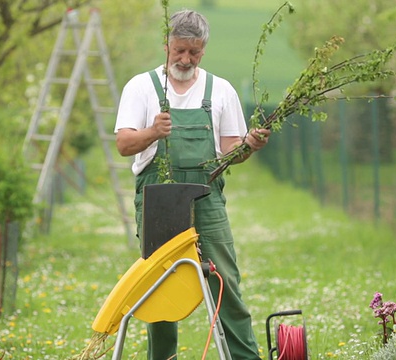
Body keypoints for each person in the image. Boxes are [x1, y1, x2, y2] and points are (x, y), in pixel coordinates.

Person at [114, 9, 270, 360]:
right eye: (179, 50)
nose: (185, 59)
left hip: (206, 199)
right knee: (160, 286)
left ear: (203, 50)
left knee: (224, 282)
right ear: (166, 44)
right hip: (158, 202)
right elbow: (124, 145)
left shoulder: (221, 90)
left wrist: (248, 145)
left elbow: (231, 150)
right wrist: (153, 132)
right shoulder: (141, 87)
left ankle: (246, 357)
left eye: (194, 52)